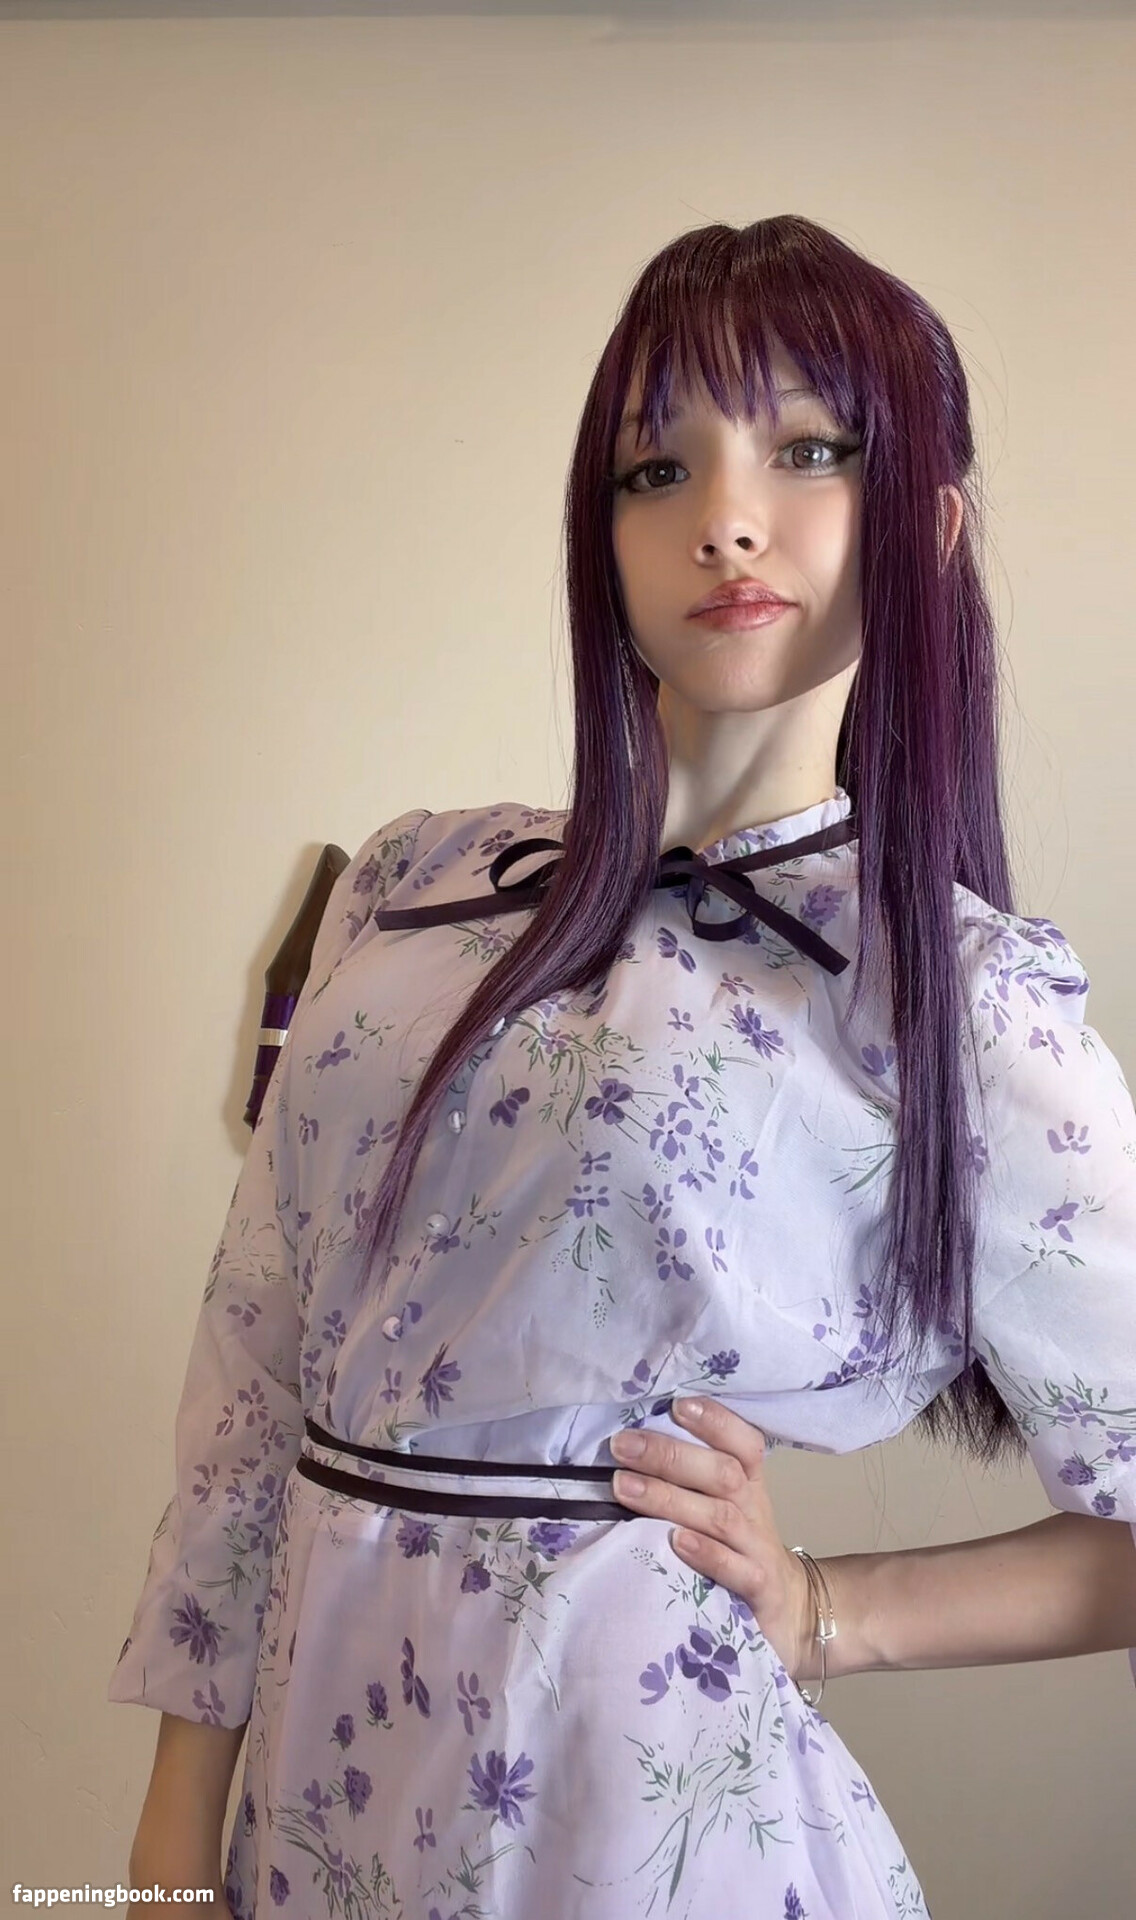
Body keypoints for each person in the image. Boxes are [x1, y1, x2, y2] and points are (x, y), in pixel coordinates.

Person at [109, 215, 1136, 1919]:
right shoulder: (415, 883)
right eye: (658, 468)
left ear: (933, 529)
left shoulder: (954, 1004)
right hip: (314, 1817)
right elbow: (252, 1371)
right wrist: (168, 1838)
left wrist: (834, 1611)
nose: (725, 514)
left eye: (811, 450)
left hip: (641, 1834)